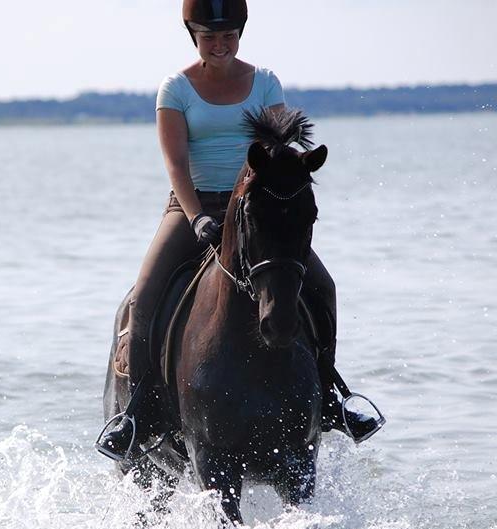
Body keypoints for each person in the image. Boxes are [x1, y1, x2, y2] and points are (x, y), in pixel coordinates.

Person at [98, 0, 381, 458]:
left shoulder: (265, 82)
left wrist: (268, 194)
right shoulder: (176, 89)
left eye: (228, 35)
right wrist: (197, 217)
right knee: (143, 297)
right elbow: (175, 164)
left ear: (240, 34)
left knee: (322, 285)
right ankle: (139, 413)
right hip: (193, 206)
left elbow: (278, 151)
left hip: (256, 208)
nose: (220, 44)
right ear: (193, 35)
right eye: (210, 36)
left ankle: (331, 397)